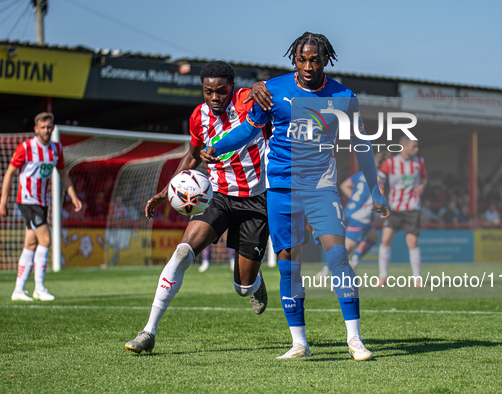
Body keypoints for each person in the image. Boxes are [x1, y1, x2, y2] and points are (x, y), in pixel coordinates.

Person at [204, 32, 390, 361]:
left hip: (320, 188)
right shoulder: (273, 91)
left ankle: (355, 339)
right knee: (290, 267)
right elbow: (248, 130)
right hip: (281, 189)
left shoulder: (344, 96)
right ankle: (299, 343)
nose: (307, 66)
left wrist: (375, 189)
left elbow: (361, 144)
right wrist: (216, 148)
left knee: (338, 257)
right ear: (294, 59)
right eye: (301, 59)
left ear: (325, 60)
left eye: (314, 60)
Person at [125, 61, 270, 354]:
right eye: (208, 91)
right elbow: (192, 158)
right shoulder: (198, 117)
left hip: (257, 199)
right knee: (182, 252)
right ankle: (148, 331)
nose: (215, 98)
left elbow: (263, 94)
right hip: (217, 196)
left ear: (232, 88)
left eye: (221, 91)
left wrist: (259, 88)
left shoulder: (244, 100)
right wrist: (167, 191)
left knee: (242, 286)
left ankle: (253, 284)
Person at [0, 112, 82, 301]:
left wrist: (73, 196)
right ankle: (39, 288)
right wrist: (3, 200)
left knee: (30, 244)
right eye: (43, 127)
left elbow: (63, 174)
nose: (46, 130)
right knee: (45, 239)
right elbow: (10, 173)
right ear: (36, 129)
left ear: (52, 127)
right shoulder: (26, 147)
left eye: (49, 127)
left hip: (42, 202)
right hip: (28, 200)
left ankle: (18, 290)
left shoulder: (56, 149)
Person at [316, 153, 386, 279]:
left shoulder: (362, 173)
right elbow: (380, 193)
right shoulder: (380, 176)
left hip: (351, 211)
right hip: (360, 216)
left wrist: (354, 199)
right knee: (346, 248)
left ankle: (355, 260)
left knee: (374, 237)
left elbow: (344, 185)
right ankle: (325, 271)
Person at [377, 135, 427, 288]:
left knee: (412, 242)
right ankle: (382, 276)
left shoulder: (420, 162)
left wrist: (422, 187)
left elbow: (424, 179)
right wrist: (381, 200)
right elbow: (379, 181)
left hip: (412, 207)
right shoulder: (390, 163)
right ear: (404, 147)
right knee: (385, 240)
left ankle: (417, 278)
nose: (417, 149)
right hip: (394, 208)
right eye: (414, 146)